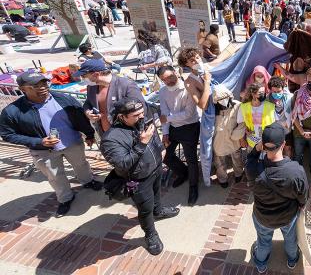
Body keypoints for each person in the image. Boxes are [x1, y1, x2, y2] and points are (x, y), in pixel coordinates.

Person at [0, 73, 102, 217]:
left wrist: (89, 134)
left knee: (81, 164)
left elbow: (80, 117)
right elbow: (8, 134)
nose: (42, 88)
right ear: (23, 89)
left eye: (44, 84)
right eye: (36, 86)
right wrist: (38, 142)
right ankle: (66, 198)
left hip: (72, 143)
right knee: (55, 176)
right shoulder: (12, 111)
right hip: (43, 151)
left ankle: (87, 181)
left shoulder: (64, 99)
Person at [100, 98, 180, 256]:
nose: (142, 117)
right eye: (136, 115)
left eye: (142, 113)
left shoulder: (141, 121)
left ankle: (158, 211)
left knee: (157, 195)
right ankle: (150, 234)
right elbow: (122, 164)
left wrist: (159, 150)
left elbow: (153, 135)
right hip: (137, 180)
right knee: (145, 209)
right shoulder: (111, 139)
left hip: (156, 169)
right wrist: (142, 143)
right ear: (122, 117)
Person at [245, 123, 308, 273]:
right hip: (288, 216)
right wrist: (301, 205)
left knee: (264, 241)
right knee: (291, 240)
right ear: (284, 144)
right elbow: (303, 196)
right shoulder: (296, 170)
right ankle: (292, 260)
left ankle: (261, 264)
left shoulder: (253, 168)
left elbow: (250, 159)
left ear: (263, 146)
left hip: (263, 217)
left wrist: (256, 149)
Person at [157, 66, 200, 205]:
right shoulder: (163, 91)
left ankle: (193, 187)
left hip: (189, 127)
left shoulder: (188, 88)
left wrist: (168, 119)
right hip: (173, 128)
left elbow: (188, 114)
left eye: (170, 77)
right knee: (165, 155)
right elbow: (164, 112)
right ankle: (183, 173)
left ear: (176, 72)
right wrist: (165, 132)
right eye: (164, 79)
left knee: (191, 159)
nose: (168, 81)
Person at [78, 59, 144, 136]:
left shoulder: (127, 85)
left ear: (96, 74)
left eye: (84, 76)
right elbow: (88, 102)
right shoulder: (91, 87)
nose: (82, 79)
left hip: (126, 136)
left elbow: (141, 110)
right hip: (105, 135)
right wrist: (88, 112)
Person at [213, 87, 245, 188]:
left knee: (237, 157)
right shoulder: (212, 109)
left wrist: (237, 135)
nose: (224, 100)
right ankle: (222, 179)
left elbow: (242, 122)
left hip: (233, 138)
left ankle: (239, 174)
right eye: (220, 99)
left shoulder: (238, 105)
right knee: (219, 161)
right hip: (219, 140)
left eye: (226, 97)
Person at [238, 82, 276, 149]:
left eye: (264, 92)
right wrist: (242, 139)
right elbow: (241, 124)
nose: (263, 95)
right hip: (252, 142)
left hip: (267, 141)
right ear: (253, 94)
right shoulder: (243, 107)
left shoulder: (270, 106)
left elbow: (276, 123)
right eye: (260, 93)